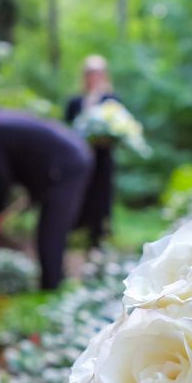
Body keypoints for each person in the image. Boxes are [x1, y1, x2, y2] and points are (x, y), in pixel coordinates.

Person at [0, 95, 92, 290]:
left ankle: (51, 288)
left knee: (50, 231)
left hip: (67, 165)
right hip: (62, 163)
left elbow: (2, 178)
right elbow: (22, 160)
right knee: (50, 230)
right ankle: (54, 281)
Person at [65, 55, 119, 248]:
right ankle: (75, 230)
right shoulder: (74, 101)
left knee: (101, 194)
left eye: (97, 73)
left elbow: (119, 128)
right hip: (79, 158)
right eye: (90, 73)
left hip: (103, 157)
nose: (93, 77)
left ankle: (98, 234)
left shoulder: (110, 100)